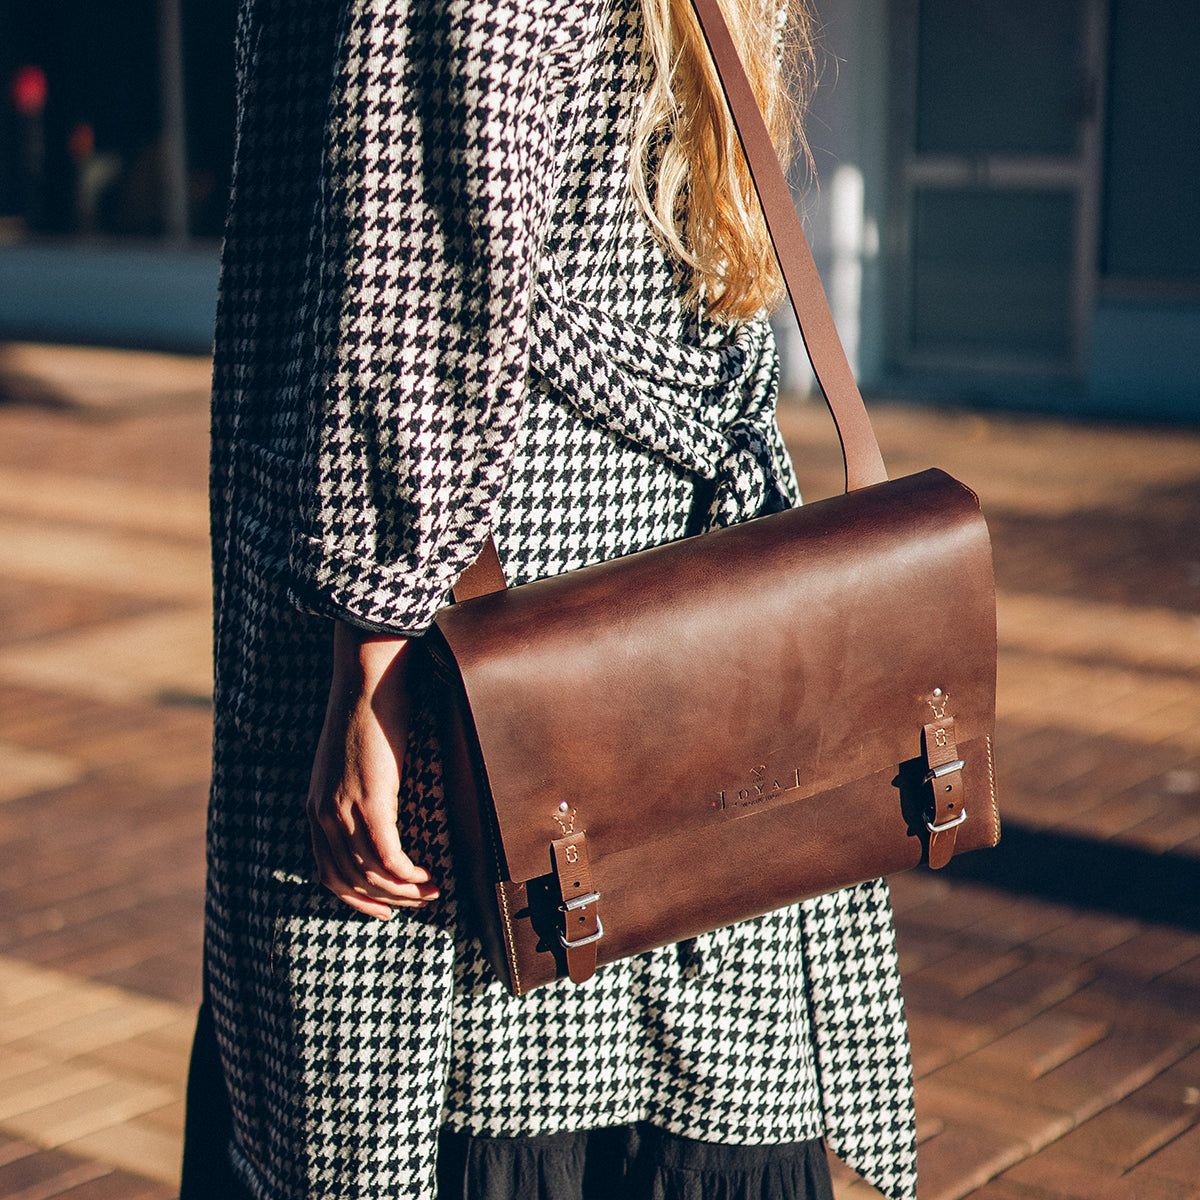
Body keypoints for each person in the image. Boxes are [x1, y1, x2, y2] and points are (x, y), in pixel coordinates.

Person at [181, 0, 919, 1197]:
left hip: (486, 616)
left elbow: (421, 270)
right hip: (664, 605)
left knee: (467, 1057)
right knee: (663, 1049)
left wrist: (372, 657)